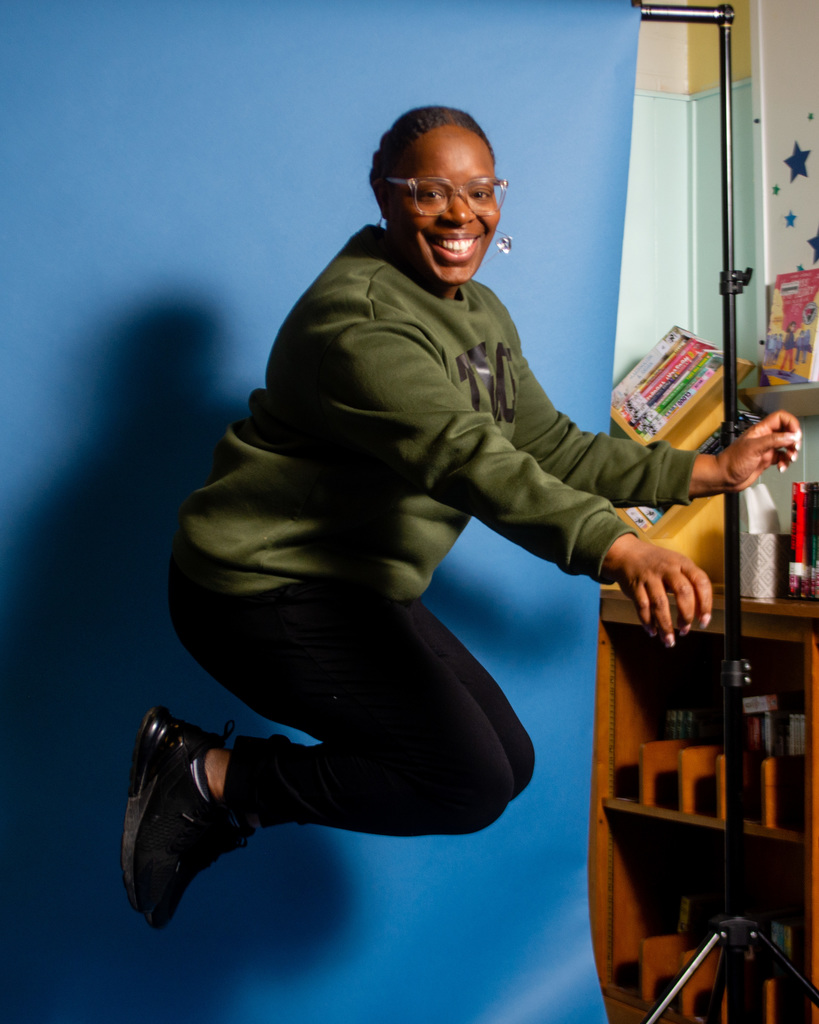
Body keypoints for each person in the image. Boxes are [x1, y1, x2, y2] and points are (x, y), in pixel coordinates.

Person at [121, 106, 801, 929]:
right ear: (384, 194)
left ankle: (217, 779)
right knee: (464, 779)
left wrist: (706, 470)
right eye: (430, 192)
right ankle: (208, 776)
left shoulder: (475, 309)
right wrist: (619, 549)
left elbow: (546, 442)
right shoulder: (358, 322)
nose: (460, 216)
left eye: (480, 192)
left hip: (354, 584)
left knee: (505, 764)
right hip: (254, 590)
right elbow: (468, 460)